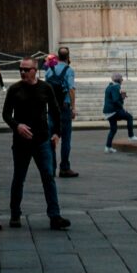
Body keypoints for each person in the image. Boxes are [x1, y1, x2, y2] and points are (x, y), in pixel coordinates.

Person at [2, 57, 70, 230]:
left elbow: (55, 111)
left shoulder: (45, 88)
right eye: (21, 69)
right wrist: (17, 126)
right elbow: (6, 114)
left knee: (48, 178)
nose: (23, 72)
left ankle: (55, 216)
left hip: (42, 141)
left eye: (26, 69)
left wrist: (56, 133)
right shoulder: (14, 89)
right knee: (18, 178)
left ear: (35, 70)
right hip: (21, 142)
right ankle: (15, 214)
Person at [45, 46, 79, 179]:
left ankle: (51, 167)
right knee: (66, 139)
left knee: (51, 137)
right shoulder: (69, 70)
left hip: (52, 108)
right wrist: (73, 107)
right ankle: (64, 167)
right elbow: (71, 89)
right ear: (68, 57)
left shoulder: (49, 70)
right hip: (64, 108)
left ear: (58, 56)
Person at [102, 71, 137, 150]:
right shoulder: (116, 87)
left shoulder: (109, 86)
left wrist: (121, 97)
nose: (122, 81)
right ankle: (131, 136)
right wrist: (122, 99)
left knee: (113, 129)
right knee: (129, 117)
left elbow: (112, 98)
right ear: (118, 80)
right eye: (121, 79)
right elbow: (115, 100)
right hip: (113, 111)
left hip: (108, 112)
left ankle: (108, 147)